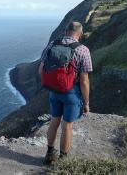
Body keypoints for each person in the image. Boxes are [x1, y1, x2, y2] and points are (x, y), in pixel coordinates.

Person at [38, 22, 93, 164]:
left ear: (66, 31)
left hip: (54, 91)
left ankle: (49, 154)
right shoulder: (83, 50)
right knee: (67, 125)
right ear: (80, 34)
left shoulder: (52, 44)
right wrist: (86, 102)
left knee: (54, 120)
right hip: (71, 93)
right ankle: (63, 160)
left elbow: (41, 69)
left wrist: (53, 83)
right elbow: (84, 80)